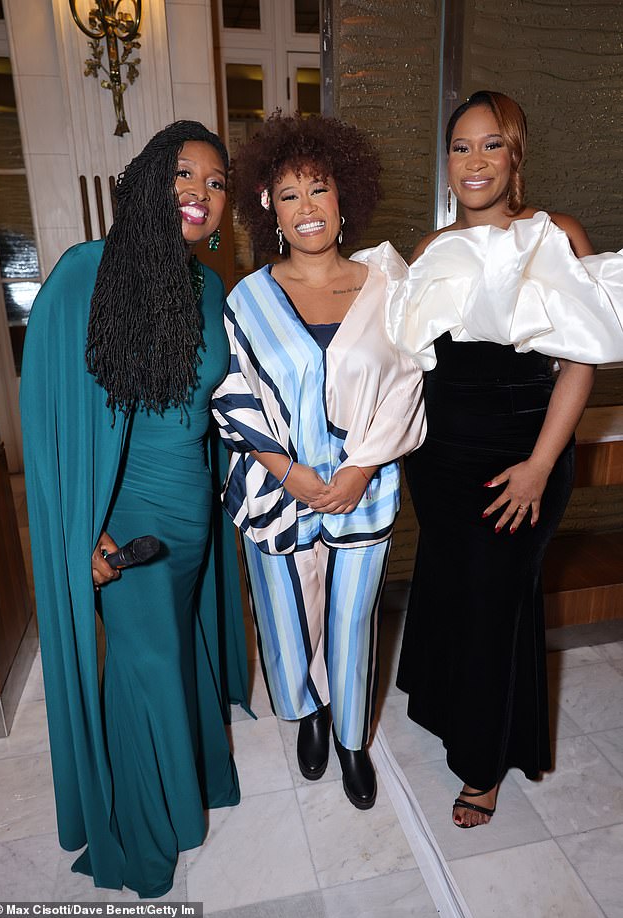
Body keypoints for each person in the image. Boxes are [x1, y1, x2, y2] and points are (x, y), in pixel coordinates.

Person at [20, 121, 249, 896]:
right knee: (146, 670)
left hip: (194, 515)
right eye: (184, 174)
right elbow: (48, 420)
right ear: (150, 179)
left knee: (177, 656)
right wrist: (76, 530)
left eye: (216, 183)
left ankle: (183, 800)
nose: (200, 193)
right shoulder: (87, 272)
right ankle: (142, 842)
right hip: (130, 525)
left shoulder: (208, 286)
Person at [391, 90, 623, 828]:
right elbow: (412, 364)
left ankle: (483, 766)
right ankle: (446, 708)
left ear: (516, 154)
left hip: (524, 458)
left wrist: (539, 465)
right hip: (441, 462)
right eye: (461, 147)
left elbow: (581, 365)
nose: (475, 161)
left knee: (496, 602)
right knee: (456, 590)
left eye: (492, 145)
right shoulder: (430, 247)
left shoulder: (554, 234)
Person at [212, 113, 426, 810]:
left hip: (362, 488)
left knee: (353, 616)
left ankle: (352, 740)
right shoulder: (246, 298)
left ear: (344, 198)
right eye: (289, 193)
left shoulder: (387, 287)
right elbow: (232, 390)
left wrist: (359, 469)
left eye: (319, 188)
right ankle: (307, 714)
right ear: (267, 206)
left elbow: (406, 385)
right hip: (277, 491)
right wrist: (288, 470)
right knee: (285, 615)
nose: (307, 207)